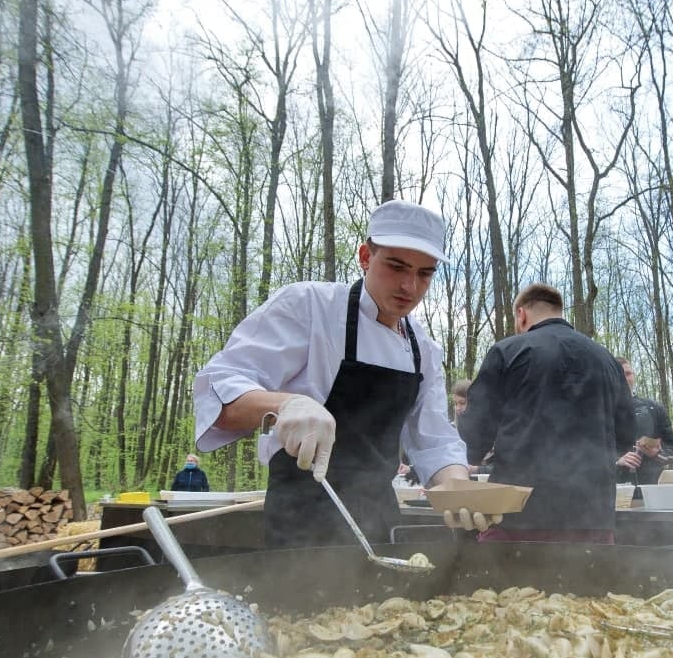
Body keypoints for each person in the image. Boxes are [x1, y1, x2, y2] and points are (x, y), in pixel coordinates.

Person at [192, 199, 483, 548]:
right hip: (301, 524)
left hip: (381, 521)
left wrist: (457, 486)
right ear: (365, 257)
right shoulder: (308, 307)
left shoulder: (424, 349)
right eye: (396, 266)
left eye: (424, 273)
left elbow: (434, 441)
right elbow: (219, 393)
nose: (409, 286)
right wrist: (288, 404)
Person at [458, 282, 636, 542]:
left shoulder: (508, 352)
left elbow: (475, 435)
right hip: (593, 518)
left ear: (521, 314)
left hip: (518, 516)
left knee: (504, 583)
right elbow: (625, 434)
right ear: (559, 311)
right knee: (590, 583)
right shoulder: (607, 360)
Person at [614, 358, 673, 486]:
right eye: (619, 375)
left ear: (633, 377)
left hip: (652, 490)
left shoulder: (655, 409)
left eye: (628, 374)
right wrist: (617, 462)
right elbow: (588, 456)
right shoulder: (600, 411)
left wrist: (657, 454)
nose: (624, 379)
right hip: (614, 493)